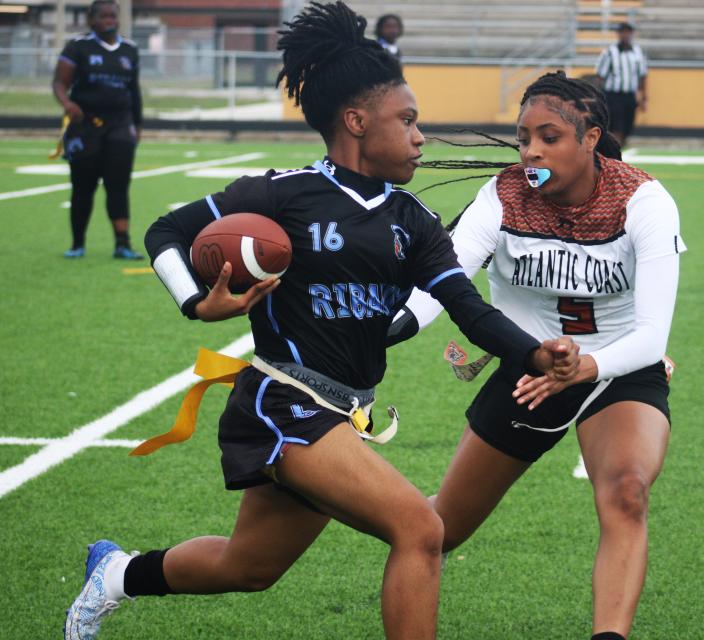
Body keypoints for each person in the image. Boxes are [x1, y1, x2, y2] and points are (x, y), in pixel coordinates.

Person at [62, 4, 579, 640]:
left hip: (347, 413)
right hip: (285, 402)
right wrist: (197, 301)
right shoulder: (284, 194)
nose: (421, 136)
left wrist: (535, 355)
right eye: (408, 121)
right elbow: (166, 229)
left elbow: (467, 308)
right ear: (357, 122)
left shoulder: (413, 222)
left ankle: (114, 574)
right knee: (421, 529)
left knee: (248, 566)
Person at [392, 71, 686, 640]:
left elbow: (652, 335)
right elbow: (444, 277)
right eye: (524, 137)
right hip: (530, 371)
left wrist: (588, 366)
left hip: (618, 368)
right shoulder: (502, 195)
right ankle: (340, 497)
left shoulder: (643, 201)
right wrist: (397, 324)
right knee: (440, 528)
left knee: (627, 491)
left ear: (592, 136)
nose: (530, 151)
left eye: (549, 136)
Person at [52, 0, 144, 260]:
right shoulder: (78, 47)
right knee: (83, 186)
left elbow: (134, 91)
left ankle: (122, 244)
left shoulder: (130, 49)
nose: (109, 20)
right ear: (91, 19)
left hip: (120, 125)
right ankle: (77, 243)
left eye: (113, 16)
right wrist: (68, 103)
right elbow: (59, 83)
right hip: (85, 127)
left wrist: (138, 124)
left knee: (118, 186)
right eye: (103, 16)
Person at [594, 22, 648, 147]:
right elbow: (600, 76)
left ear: (632, 34)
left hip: (629, 95)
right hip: (613, 95)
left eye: (628, 32)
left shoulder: (637, 52)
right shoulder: (609, 53)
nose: (625, 35)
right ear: (618, 34)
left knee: (627, 128)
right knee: (616, 128)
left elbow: (642, 76)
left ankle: (618, 152)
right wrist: (598, 98)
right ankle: (614, 155)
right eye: (622, 32)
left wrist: (643, 97)